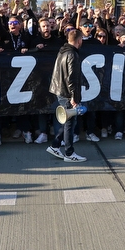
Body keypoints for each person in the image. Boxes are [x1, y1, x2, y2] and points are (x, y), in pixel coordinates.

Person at [47, 26, 87, 162]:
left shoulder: (63, 51)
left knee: (67, 122)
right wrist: (74, 97)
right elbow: (72, 78)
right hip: (67, 93)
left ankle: (55, 146)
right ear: (79, 40)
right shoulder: (73, 54)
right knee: (70, 123)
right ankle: (69, 153)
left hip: (60, 90)